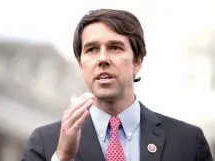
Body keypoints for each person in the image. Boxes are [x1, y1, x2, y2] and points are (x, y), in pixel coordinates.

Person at [21, 9, 213, 161]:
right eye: (92, 49)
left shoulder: (188, 142)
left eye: (115, 47)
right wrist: (63, 157)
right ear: (81, 64)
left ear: (137, 61)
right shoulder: (44, 143)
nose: (103, 59)